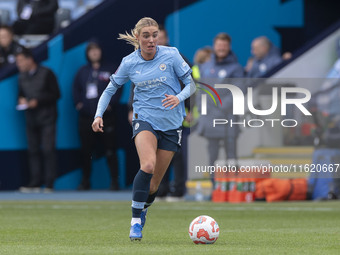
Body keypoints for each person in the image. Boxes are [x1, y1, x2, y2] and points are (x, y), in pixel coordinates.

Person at [92, 17, 196, 241]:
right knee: (147, 165)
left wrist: (178, 99)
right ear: (137, 38)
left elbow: (192, 84)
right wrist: (98, 114)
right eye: (146, 36)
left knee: (153, 185)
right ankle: (135, 221)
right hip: (145, 118)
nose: (151, 40)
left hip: (172, 124)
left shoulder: (171, 55)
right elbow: (110, 89)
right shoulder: (129, 62)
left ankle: (143, 209)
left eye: (154, 35)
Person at [72, 41, 121, 191]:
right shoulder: (82, 71)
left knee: (110, 150)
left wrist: (111, 104)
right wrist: (79, 104)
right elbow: (76, 89)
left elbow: (118, 87)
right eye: (91, 51)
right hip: (87, 117)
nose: (94, 53)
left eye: (96, 50)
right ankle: (85, 181)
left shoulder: (110, 69)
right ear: (87, 53)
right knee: (86, 151)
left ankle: (114, 181)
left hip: (107, 117)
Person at [196, 32, 244, 180]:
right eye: (219, 45)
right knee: (212, 156)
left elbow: (238, 91)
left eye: (224, 45)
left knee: (231, 155)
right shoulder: (206, 66)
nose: (221, 48)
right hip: (209, 119)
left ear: (228, 47)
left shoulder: (235, 68)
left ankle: (232, 186)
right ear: (214, 46)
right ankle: (214, 187)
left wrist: (221, 107)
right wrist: (202, 109)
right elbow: (200, 90)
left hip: (227, 117)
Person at [16, 47, 60, 193]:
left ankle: (49, 183)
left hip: (47, 117)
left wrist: (38, 101)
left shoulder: (47, 73)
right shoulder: (21, 76)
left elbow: (56, 94)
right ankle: (35, 182)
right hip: (31, 118)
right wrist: (22, 100)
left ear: (30, 59)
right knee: (33, 150)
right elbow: (21, 94)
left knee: (48, 150)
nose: (19, 64)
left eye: (21, 61)